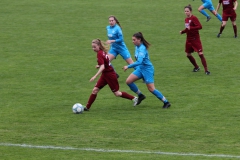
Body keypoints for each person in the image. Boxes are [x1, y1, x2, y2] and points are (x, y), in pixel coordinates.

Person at [83, 39, 138, 111]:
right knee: (95, 90)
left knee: (117, 93)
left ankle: (134, 98)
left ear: (99, 46)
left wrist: (95, 76)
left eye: (94, 47)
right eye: (92, 47)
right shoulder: (101, 52)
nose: (93, 49)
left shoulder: (100, 53)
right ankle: (87, 107)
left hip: (110, 75)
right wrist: (99, 65)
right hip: (105, 75)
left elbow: (103, 66)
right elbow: (105, 63)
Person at [123, 32, 171, 109]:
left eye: (134, 40)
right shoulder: (137, 47)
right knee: (128, 81)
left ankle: (166, 102)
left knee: (151, 89)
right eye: (132, 40)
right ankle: (140, 95)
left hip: (147, 69)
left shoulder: (142, 49)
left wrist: (128, 66)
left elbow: (139, 61)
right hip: (141, 68)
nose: (133, 41)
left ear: (139, 40)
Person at [180, 4, 211, 75]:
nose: (186, 12)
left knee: (200, 54)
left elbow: (200, 26)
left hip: (195, 39)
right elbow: (187, 29)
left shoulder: (194, 18)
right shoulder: (186, 19)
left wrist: (192, 28)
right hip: (189, 39)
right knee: (188, 55)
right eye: (185, 11)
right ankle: (196, 67)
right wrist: (183, 31)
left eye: (187, 11)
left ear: (190, 11)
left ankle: (206, 70)